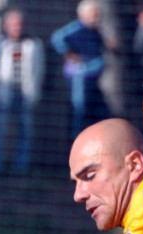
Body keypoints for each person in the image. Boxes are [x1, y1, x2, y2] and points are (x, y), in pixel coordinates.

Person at [0, 8, 45, 174]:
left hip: (25, 94)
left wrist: (35, 91)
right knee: (0, 129)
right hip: (5, 93)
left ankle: (21, 166)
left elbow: (39, 70)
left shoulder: (33, 44)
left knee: (24, 130)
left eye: (19, 24)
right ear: (6, 26)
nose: (17, 27)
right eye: (13, 24)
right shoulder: (0, 44)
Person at [51, 0, 111, 139]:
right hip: (80, 77)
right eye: (94, 14)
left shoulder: (96, 31)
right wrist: (69, 53)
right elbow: (57, 38)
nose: (97, 17)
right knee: (80, 111)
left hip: (94, 80)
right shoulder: (76, 28)